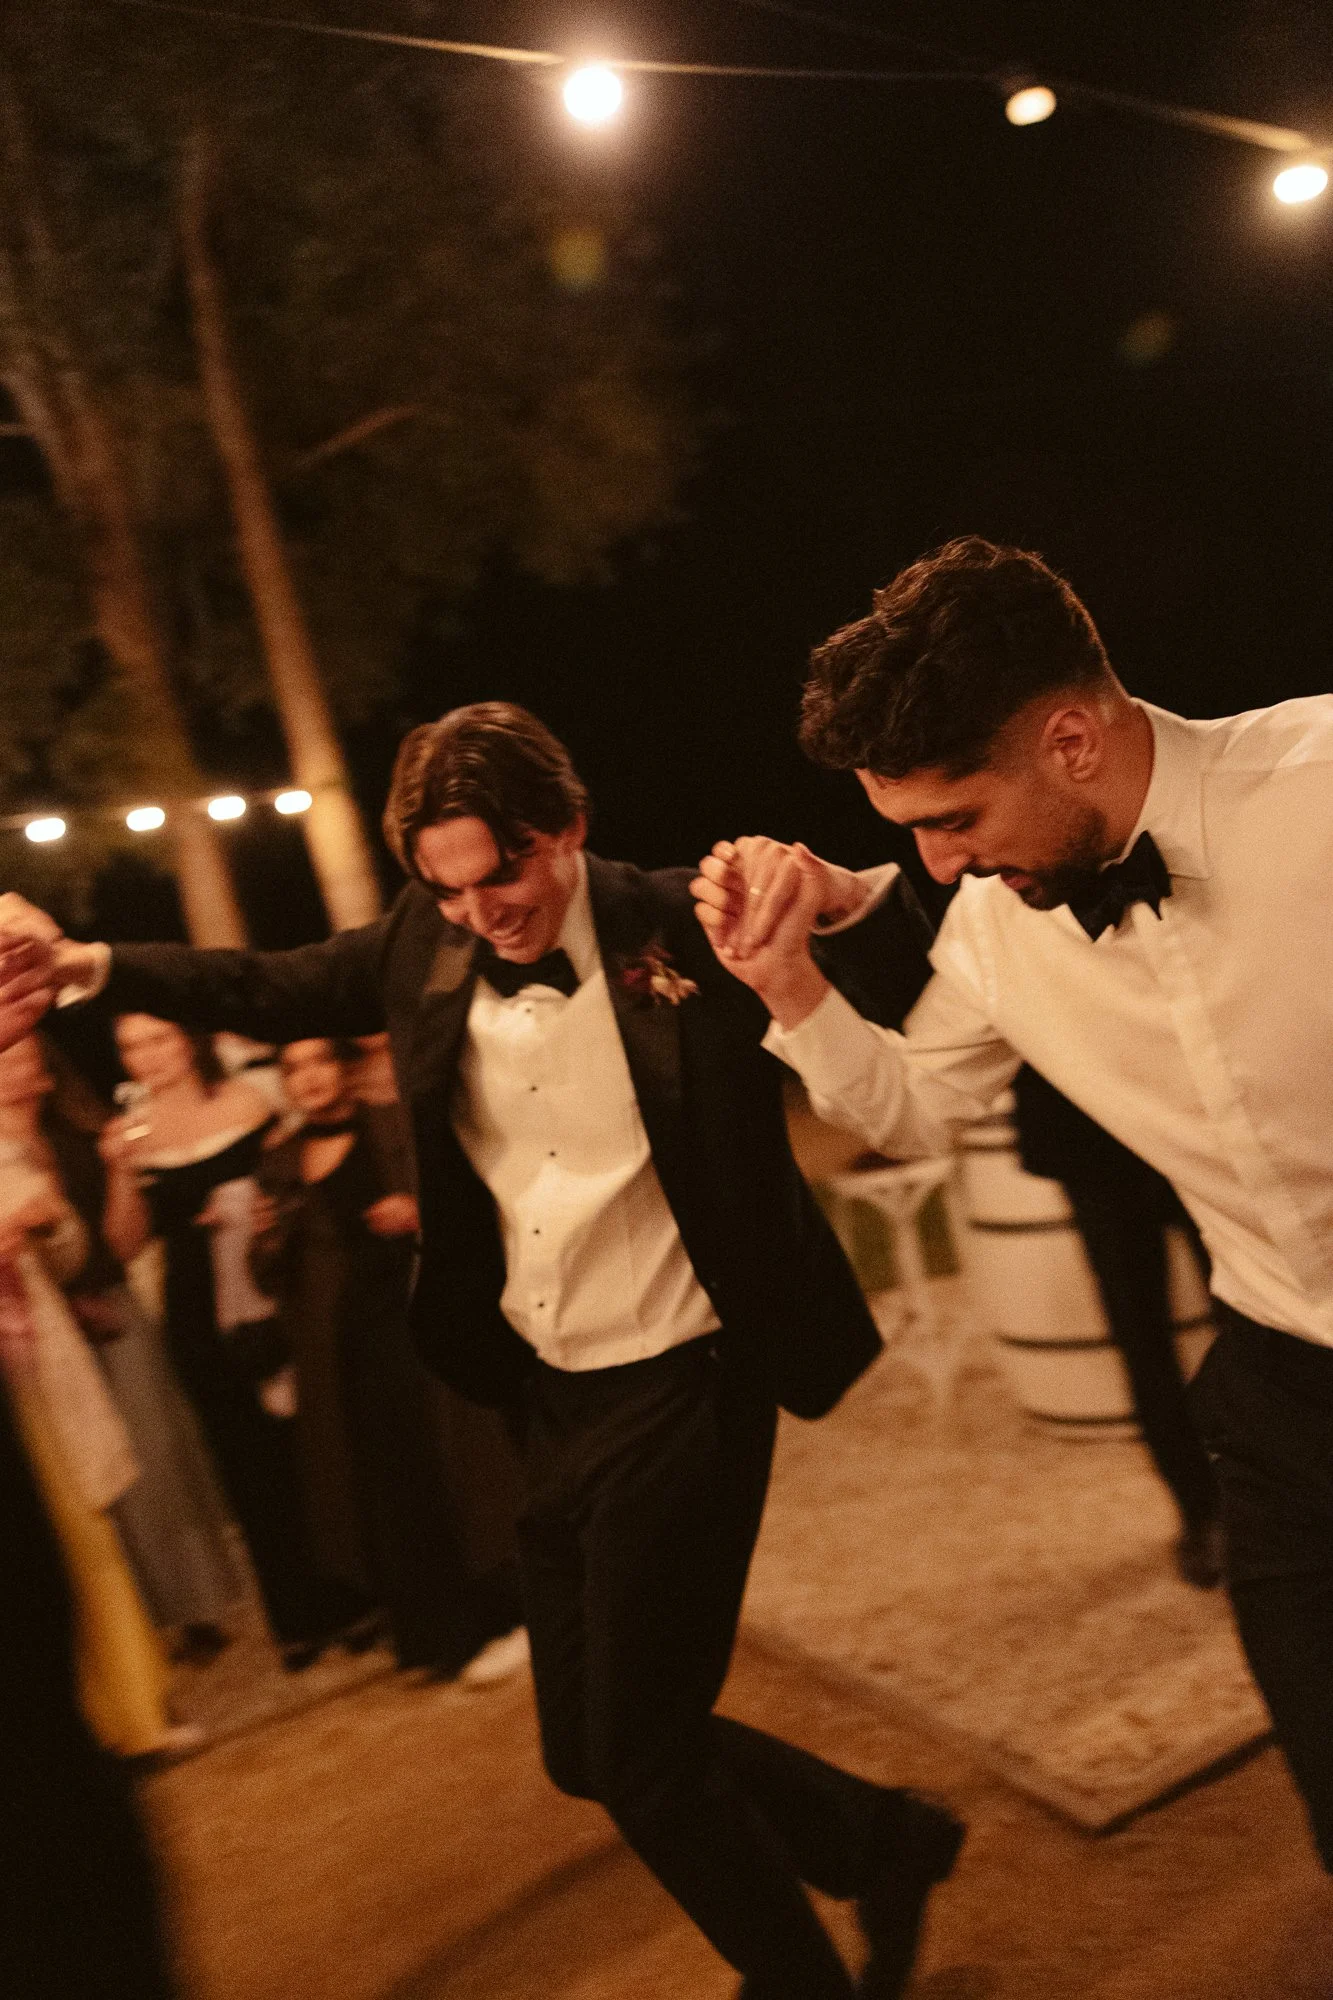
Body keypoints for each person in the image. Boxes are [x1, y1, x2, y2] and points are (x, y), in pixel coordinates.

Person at [0, 702, 964, 2000]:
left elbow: (906, 987)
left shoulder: (688, 917)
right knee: (591, 1749)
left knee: (642, 1761)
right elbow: (267, 985)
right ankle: (882, 1838)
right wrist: (90, 968)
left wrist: (841, 894)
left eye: (500, 872)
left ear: (566, 828)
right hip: (545, 1395)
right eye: (444, 887)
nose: (480, 910)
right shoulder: (423, 942)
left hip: (690, 1377)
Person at [689, 535, 1333, 1874]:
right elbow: (913, 1108)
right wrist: (791, 986)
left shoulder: (1321, 788)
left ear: (1071, 742)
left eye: (953, 819)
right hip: (1281, 1398)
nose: (931, 867)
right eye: (907, 833)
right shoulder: (994, 923)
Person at [253, 1037, 525, 1679]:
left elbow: (471, 1202)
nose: (309, 1077)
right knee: (390, 1488)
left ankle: (507, 1618)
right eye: (293, 1068)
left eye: (320, 1061)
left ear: (345, 1069)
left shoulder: (393, 1125)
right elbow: (268, 1275)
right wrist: (266, 1240)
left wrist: (418, 1213)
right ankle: (435, 1638)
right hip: (344, 1352)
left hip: (420, 1324)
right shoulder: (280, 1161)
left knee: (459, 1469)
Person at [101, 1013, 367, 1669]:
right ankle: (295, 1620)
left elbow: (290, 1177)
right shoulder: (129, 1138)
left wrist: (259, 1206)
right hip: (195, 1301)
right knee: (244, 1456)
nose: (148, 1056)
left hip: (267, 1284)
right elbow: (125, 1244)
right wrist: (117, 1173)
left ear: (188, 1041)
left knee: (311, 1440)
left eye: (158, 1039)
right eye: (132, 1047)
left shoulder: (251, 1104)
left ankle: (354, 1597)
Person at [0, 1037, 191, 1760]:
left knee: (89, 1537)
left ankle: (135, 1710)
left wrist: (48, 1226)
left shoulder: (13, 1155)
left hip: (38, 1369)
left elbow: (76, 1255)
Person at [1012, 1066, 1222, 1585]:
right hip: (1095, 1131)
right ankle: (1204, 1513)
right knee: (1144, 1337)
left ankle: (1251, 1507)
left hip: (1179, 1113)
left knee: (1245, 1322)